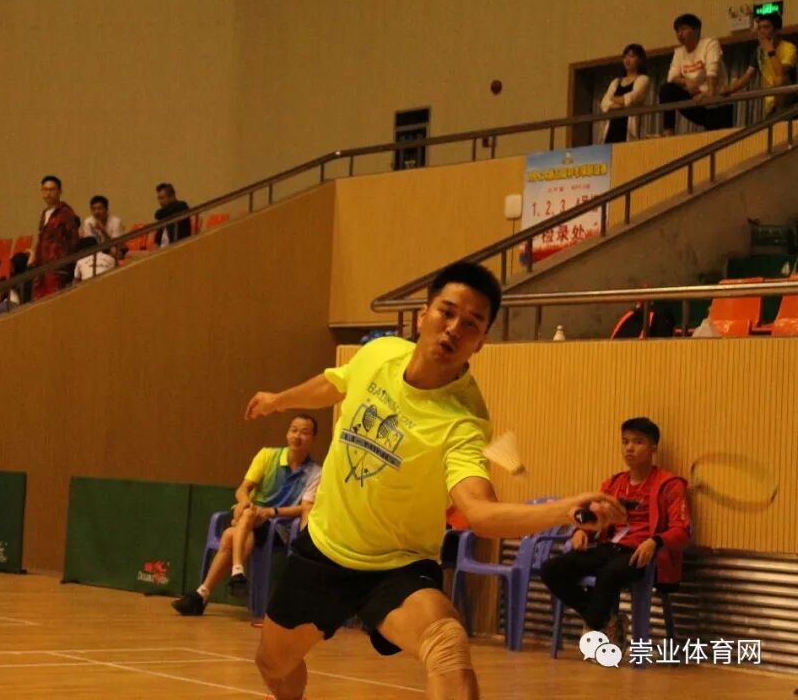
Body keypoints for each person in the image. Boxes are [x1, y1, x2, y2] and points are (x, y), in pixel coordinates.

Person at [241, 261, 626, 700]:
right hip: (325, 550)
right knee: (272, 664)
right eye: (447, 312)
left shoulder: (463, 422)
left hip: (396, 567)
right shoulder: (379, 353)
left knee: (446, 645)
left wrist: (564, 510)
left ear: (481, 342)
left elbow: (480, 513)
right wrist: (278, 400)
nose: (454, 329)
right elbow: (335, 384)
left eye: (472, 323)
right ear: (424, 315)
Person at [541, 417, 690, 645]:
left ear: (653, 447)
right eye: (625, 442)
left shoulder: (670, 484)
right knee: (552, 569)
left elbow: (682, 530)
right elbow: (593, 516)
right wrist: (582, 532)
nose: (629, 448)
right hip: (610, 547)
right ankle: (606, 620)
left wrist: (654, 541)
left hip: (642, 554)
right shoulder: (613, 484)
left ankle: (596, 625)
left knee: (609, 574)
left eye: (638, 442)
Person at [172, 415, 321, 616]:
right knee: (248, 515)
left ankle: (209, 590)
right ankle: (222, 581)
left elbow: (305, 508)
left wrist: (272, 512)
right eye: (293, 430)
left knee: (230, 536)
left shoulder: (315, 472)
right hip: (250, 518)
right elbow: (243, 489)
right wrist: (245, 502)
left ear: (313, 438)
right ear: (287, 434)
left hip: (278, 527)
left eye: (304, 432)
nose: (297, 436)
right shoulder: (267, 456)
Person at [659, 13, 734, 134]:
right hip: (697, 101)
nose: (679, 34)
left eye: (683, 29)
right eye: (677, 31)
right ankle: (668, 132)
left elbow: (712, 69)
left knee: (718, 137)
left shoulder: (710, 43)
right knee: (666, 89)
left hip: (718, 103)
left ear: (696, 30)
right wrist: (686, 82)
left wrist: (710, 92)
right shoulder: (679, 52)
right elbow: (671, 78)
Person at [722, 12, 797, 116]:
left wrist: (770, 50)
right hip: (770, 102)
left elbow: (780, 73)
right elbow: (748, 76)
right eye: (759, 28)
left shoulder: (789, 48)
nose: (761, 31)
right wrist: (730, 89)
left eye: (766, 27)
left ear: (777, 30)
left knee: (779, 80)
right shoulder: (759, 51)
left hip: (789, 100)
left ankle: (780, 115)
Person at [32, 175, 81, 299]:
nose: (48, 193)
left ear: (59, 191)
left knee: (53, 300)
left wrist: (63, 261)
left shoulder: (66, 212)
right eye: (45, 190)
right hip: (42, 268)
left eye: (52, 189)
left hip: (58, 268)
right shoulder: (44, 213)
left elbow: (74, 240)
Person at [601, 43, 651, 143]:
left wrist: (614, 100)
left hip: (629, 131)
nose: (627, 60)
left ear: (639, 60)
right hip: (611, 130)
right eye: (625, 57)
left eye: (631, 56)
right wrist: (623, 104)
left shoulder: (643, 79)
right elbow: (604, 104)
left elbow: (632, 98)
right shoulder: (616, 82)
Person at [153, 183, 191, 247]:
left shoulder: (182, 206)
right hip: (161, 249)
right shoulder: (164, 215)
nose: (160, 202)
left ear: (172, 197)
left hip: (176, 247)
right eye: (159, 198)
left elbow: (158, 214)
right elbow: (157, 240)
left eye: (162, 198)